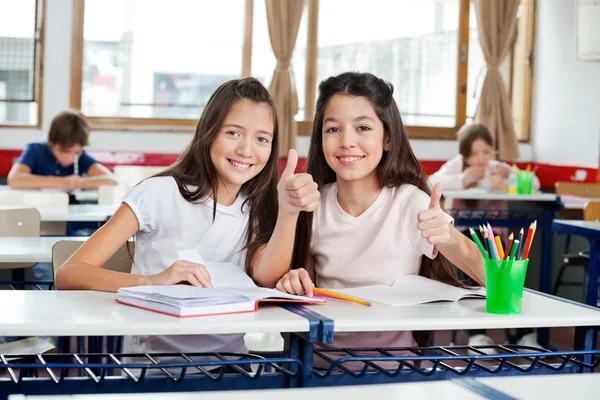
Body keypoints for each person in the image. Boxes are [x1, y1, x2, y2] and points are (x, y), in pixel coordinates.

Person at [55, 77, 320, 360]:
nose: (246, 150)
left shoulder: (254, 205)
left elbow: (266, 276)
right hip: (153, 367)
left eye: (262, 139)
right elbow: (69, 273)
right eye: (233, 133)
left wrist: (289, 212)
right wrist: (153, 281)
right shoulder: (158, 193)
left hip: (228, 365)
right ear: (209, 132)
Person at [273, 72, 484, 364]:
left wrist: (450, 239)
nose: (347, 141)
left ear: (386, 138)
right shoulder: (315, 202)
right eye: (333, 129)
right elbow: (307, 286)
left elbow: (491, 278)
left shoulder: (411, 202)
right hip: (320, 367)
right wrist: (294, 281)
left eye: (362, 127)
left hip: (394, 369)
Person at [429, 123, 541, 352]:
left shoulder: (498, 168)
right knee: (473, 267)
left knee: (514, 271)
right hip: (465, 240)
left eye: (486, 152)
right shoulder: (455, 166)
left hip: (499, 240)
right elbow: (431, 182)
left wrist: (512, 176)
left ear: (493, 151)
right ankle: (477, 335)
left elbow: (534, 184)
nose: (481, 159)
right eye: (474, 154)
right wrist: (463, 178)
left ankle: (524, 334)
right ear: (464, 154)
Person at [8, 110, 117, 191]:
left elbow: (112, 181)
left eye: (76, 153)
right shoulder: (35, 151)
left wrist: (80, 183)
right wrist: (63, 182)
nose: (71, 158)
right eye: (64, 151)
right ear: (52, 143)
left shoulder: (82, 158)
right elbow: (14, 179)